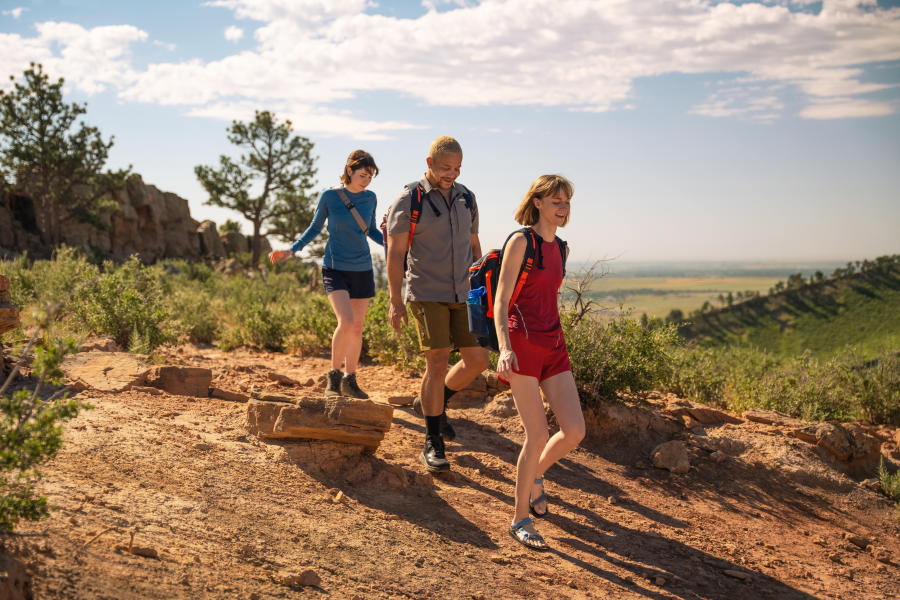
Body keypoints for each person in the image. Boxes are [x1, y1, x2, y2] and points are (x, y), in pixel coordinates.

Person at [385, 136, 490, 473]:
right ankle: (432, 441)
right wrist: (394, 300)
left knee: (477, 360)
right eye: (446, 167)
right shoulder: (410, 199)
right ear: (429, 163)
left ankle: (434, 403)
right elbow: (396, 253)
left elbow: (475, 244)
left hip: (464, 292)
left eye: (457, 168)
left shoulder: (466, 198)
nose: (452, 173)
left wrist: (481, 287)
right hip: (426, 291)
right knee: (438, 361)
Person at [494, 175, 586, 552]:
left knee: (575, 430)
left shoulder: (561, 248)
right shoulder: (521, 241)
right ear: (537, 203)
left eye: (566, 201)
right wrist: (503, 348)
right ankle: (519, 518)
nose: (562, 207)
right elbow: (501, 301)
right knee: (537, 435)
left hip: (554, 344)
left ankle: (535, 478)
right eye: (555, 201)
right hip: (522, 345)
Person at [269, 150, 383, 399]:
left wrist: (396, 245)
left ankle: (350, 380)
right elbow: (314, 227)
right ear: (350, 171)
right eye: (363, 174)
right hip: (335, 267)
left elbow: (371, 231)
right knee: (346, 321)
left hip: (362, 267)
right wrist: (291, 250)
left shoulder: (370, 198)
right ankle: (333, 376)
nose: (366, 180)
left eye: (370, 176)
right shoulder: (330, 196)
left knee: (358, 327)